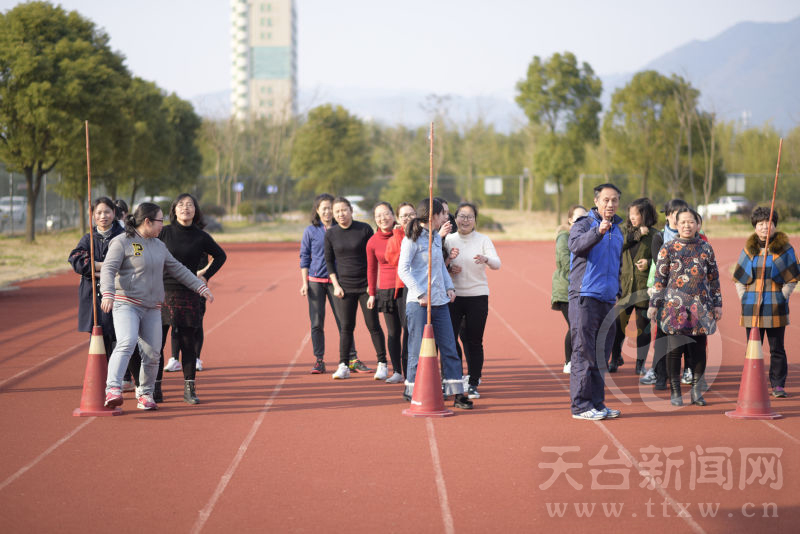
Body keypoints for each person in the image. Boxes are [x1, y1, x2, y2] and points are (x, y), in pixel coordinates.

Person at [100, 202, 213, 410]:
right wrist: (107, 293)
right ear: (147, 222)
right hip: (127, 304)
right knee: (127, 341)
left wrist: (199, 286)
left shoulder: (159, 246)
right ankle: (113, 388)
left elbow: (177, 268)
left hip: (152, 307)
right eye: (160, 220)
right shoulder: (122, 242)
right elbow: (108, 269)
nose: (163, 225)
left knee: (153, 353)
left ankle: (145, 393)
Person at [398, 198, 472, 409]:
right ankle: (412, 389)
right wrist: (421, 293)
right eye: (443, 214)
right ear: (433, 216)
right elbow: (402, 270)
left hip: (439, 302)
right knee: (416, 348)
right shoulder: (411, 239)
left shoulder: (437, 238)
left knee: (449, 347)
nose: (446, 217)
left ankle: (456, 393)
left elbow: (439, 267)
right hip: (419, 303)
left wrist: (449, 287)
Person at [154, 194, 226, 404]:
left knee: (188, 343)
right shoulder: (163, 232)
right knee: (157, 343)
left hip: (189, 293)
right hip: (162, 292)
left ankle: (189, 389)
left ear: (196, 210)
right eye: (181, 205)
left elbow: (221, 256)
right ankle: (156, 388)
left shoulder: (200, 236)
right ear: (174, 210)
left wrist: (204, 275)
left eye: (190, 205)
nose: (185, 208)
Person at [648, 207, 722, 406]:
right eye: (683, 222)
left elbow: (713, 279)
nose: (687, 226)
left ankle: (697, 391)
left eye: (691, 222)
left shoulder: (706, 248)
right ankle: (675, 391)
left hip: (701, 306)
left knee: (698, 350)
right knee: (674, 350)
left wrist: (717, 304)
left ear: (698, 225)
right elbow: (659, 279)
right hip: (674, 307)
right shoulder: (668, 248)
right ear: (676, 225)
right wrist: (654, 304)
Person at [568, 183, 624, 421]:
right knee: (584, 352)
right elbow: (575, 246)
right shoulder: (584, 224)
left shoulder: (618, 229)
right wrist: (597, 232)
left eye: (614, 200)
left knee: (602, 354)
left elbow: (617, 263)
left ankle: (598, 404)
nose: (610, 205)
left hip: (607, 299)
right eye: (606, 200)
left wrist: (618, 289)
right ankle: (581, 406)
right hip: (585, 296)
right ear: (597, 201)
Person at [732, 206, 799, 398]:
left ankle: (778, 385)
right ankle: (753, 384)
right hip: (751, 306)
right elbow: (739, 278)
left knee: (777, 348)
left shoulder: (785, 249)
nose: (765, 227)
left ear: (775, 225)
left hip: (775, 305)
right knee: (753, 348)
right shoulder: (749, 249)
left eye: (769, 223)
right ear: (755, 227)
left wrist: (782, 296)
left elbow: (792, 278)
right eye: (760, 224)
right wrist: (743, 297)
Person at [324, 196, 387, 379]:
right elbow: (329, 261)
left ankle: (382, 364)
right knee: (346, 327)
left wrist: (371, 285)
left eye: (344, 210)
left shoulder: (364, 229)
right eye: (337, 212)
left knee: (373, 325)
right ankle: (343, 365)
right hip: (344, 288)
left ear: (351, 210)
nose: (341, 214)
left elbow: (373, 258)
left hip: (365, 287)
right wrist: (335, 285)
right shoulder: (331, 233)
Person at [444, 202, 501, 399]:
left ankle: (473, 381)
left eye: (469, 216)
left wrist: (486, 259)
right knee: (450, 340)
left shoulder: (483, 239)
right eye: (461, 216)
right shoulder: (449, 240)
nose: (465, 220)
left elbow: (497, 264)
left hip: (477, 296)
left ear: (475, 220)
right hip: (453, 297)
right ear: (455, 218)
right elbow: (439, 267)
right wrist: (449, 267)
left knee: (474, 341)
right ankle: (454, 377)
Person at [299, 193, 359, 374]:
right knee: (317, 323)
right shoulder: (310, 231)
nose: (327, 212)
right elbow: (304, 257)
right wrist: (304, 283)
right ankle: (319, 360)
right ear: (317, 211)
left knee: (344, 322)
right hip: (315, 282)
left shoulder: (340, 229)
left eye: (329, 208)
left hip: (337, 283)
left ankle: (352, 358)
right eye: (323, 208)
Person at [640, 198, 690, 390]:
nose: (680, 220)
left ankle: (686, 372)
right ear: (668, 216)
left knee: (686, 335)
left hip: (687, 294)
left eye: (684, 215)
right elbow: (661, 264)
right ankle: (661, 375)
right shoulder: (660, 238)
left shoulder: (696, 238)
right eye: (676, 214)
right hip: (664, 292)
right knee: (662, 334)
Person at [68, 197, 125, 359]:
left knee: (120, 336)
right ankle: (102, 375)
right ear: (92, 215)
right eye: (98, 212)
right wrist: (104, 266)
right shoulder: (89, 239)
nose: (103, 216)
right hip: (93, 295)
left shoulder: (124, 236)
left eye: (107, 212)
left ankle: (124, 375)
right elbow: (77, 261)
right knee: (98, 336)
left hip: (119, 293)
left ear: (114, 213)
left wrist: (102, 269)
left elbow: (130, 262)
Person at [611, 198, 657, 374]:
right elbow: (617, 246)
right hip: (624, 287)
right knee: (617, 327)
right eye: (630, 214)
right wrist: (637, 235)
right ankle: (615, 358)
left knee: (642, 330)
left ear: (645, 215)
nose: (631, 217)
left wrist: (649, 262)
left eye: (635, 214)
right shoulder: (622, 231)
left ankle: (640, 364)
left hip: (644, 288)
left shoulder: (655, 235)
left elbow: (662, 260)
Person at [366, 202, 407, 384]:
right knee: (393, 332)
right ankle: (397, 371)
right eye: (378, 216)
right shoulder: (373, 241)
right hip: (386, 290)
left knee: (410, 331)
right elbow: (371, 270)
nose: (383, 218)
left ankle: (411, 371)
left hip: (405, 287)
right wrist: (372, 293)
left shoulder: (405, 234)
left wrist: (399, 232)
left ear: (394, 215)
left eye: (386, 214)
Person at [383, 201, 417, 379]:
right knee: (407, 330)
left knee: (421, 331)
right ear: (398, 219)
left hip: (422, 287)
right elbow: (393, 259)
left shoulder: (423, 234)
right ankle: (406, 374)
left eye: (411, 214)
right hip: (404, 289)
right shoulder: (395, 237)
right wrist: (399, 235)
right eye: (404, 215)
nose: (408, 218)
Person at [551, 205, 587, 374]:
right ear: (570, 220)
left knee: (581, 325)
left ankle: (580, 359)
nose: (582, 220)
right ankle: (569, 361)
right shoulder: (564, 237)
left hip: (584, 288)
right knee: (574, 325)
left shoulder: (588, 236)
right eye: (578, 217)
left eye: (585, 217)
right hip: (566, 288)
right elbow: (566, 262)